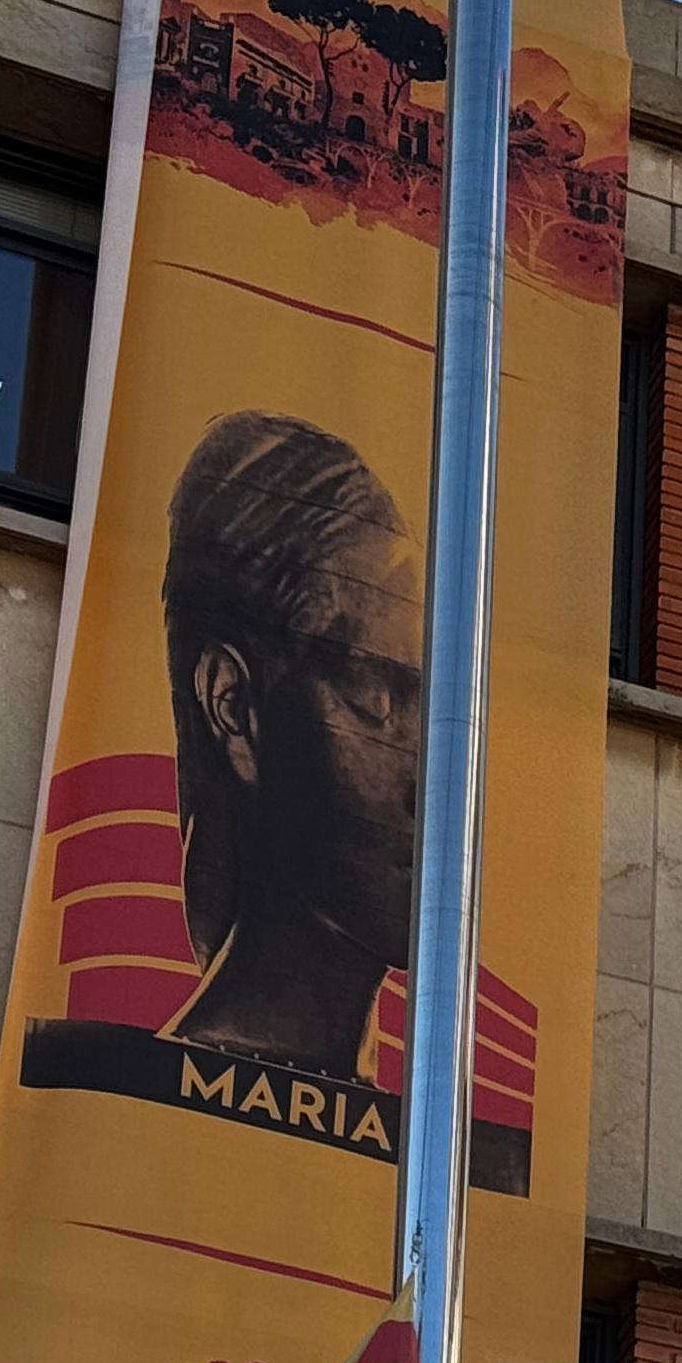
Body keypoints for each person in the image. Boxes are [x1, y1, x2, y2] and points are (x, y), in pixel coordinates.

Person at [155, 409, 424, 1076]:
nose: (433, 777)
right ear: (234, 705)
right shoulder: (135, 1098)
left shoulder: (446, 1162)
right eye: (377, 694)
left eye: (443, 712)